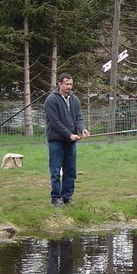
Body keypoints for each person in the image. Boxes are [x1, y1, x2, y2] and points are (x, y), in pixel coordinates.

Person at [44, 73, 90, 207]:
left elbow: (79, 118)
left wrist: (82, 129)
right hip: (56, 141)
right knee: (56, 171)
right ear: (59, 84)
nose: (69, 87)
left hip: (71, 143)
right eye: (66, 84)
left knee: (70, 171)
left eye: (71, 84)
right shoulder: (51, 100)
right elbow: (55, 122)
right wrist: (69, 135)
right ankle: (56, 198)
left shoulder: (75, 100)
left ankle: (67, 197)